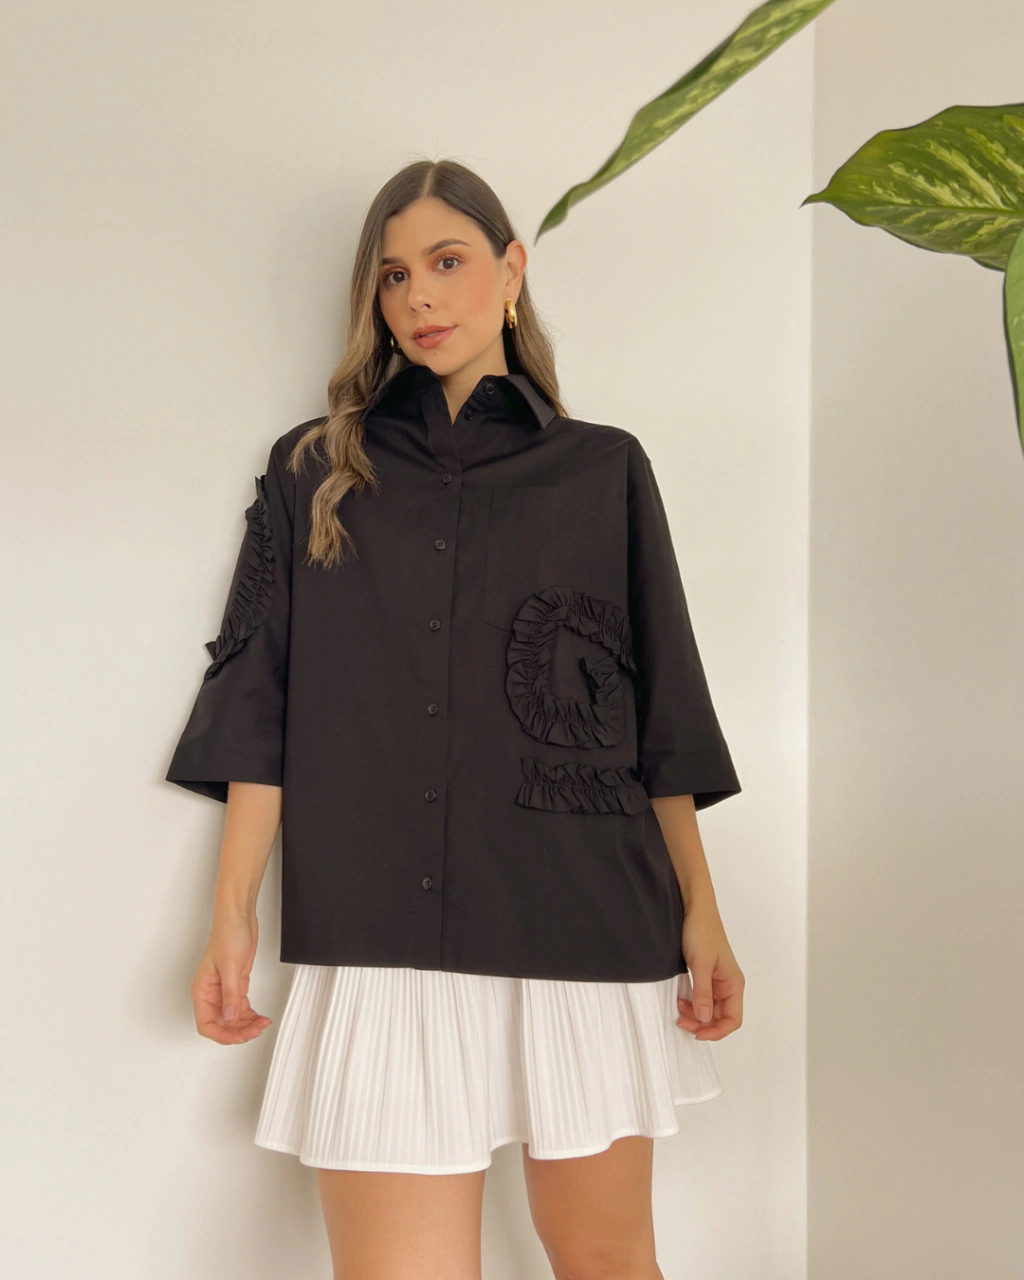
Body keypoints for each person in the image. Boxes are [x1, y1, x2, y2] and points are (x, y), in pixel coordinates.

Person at [165, 157, 746, 1280]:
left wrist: (703, 913)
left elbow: (661, 709)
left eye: (447, 262)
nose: (420, 297)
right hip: (382, 930)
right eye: (394, 276)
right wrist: (229, 915)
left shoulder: (604, 470)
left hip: (582, 921)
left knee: (607, 1259)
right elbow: (256, 705)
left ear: (511, 270)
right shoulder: (312, 471)